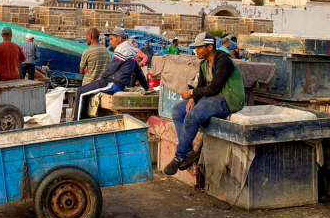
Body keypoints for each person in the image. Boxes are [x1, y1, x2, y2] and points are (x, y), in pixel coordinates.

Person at [163, 33, 245, 175]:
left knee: (193, 115)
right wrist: (193, 98)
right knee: (177, 111)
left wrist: (192, 93)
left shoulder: (223, 61)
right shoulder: (204, 64)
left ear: (210, 47)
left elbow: (215, 88)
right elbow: (201, 86)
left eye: (199, 48)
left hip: (227, 100)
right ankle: (188, 151)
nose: (196, 51)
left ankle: (179, 157)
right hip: (211, 98)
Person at [74, 29, 149, 121]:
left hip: (113, 84)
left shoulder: (121, 49)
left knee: (81, 92)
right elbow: (139, 72)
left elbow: (111, 68)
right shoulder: (129, 51)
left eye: (111, 39)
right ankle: (84, 120)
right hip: (117, 83)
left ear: (119, 39)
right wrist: (146, 87)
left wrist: (103, 79)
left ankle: (77, 122)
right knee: (84, 91)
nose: (110, 42)